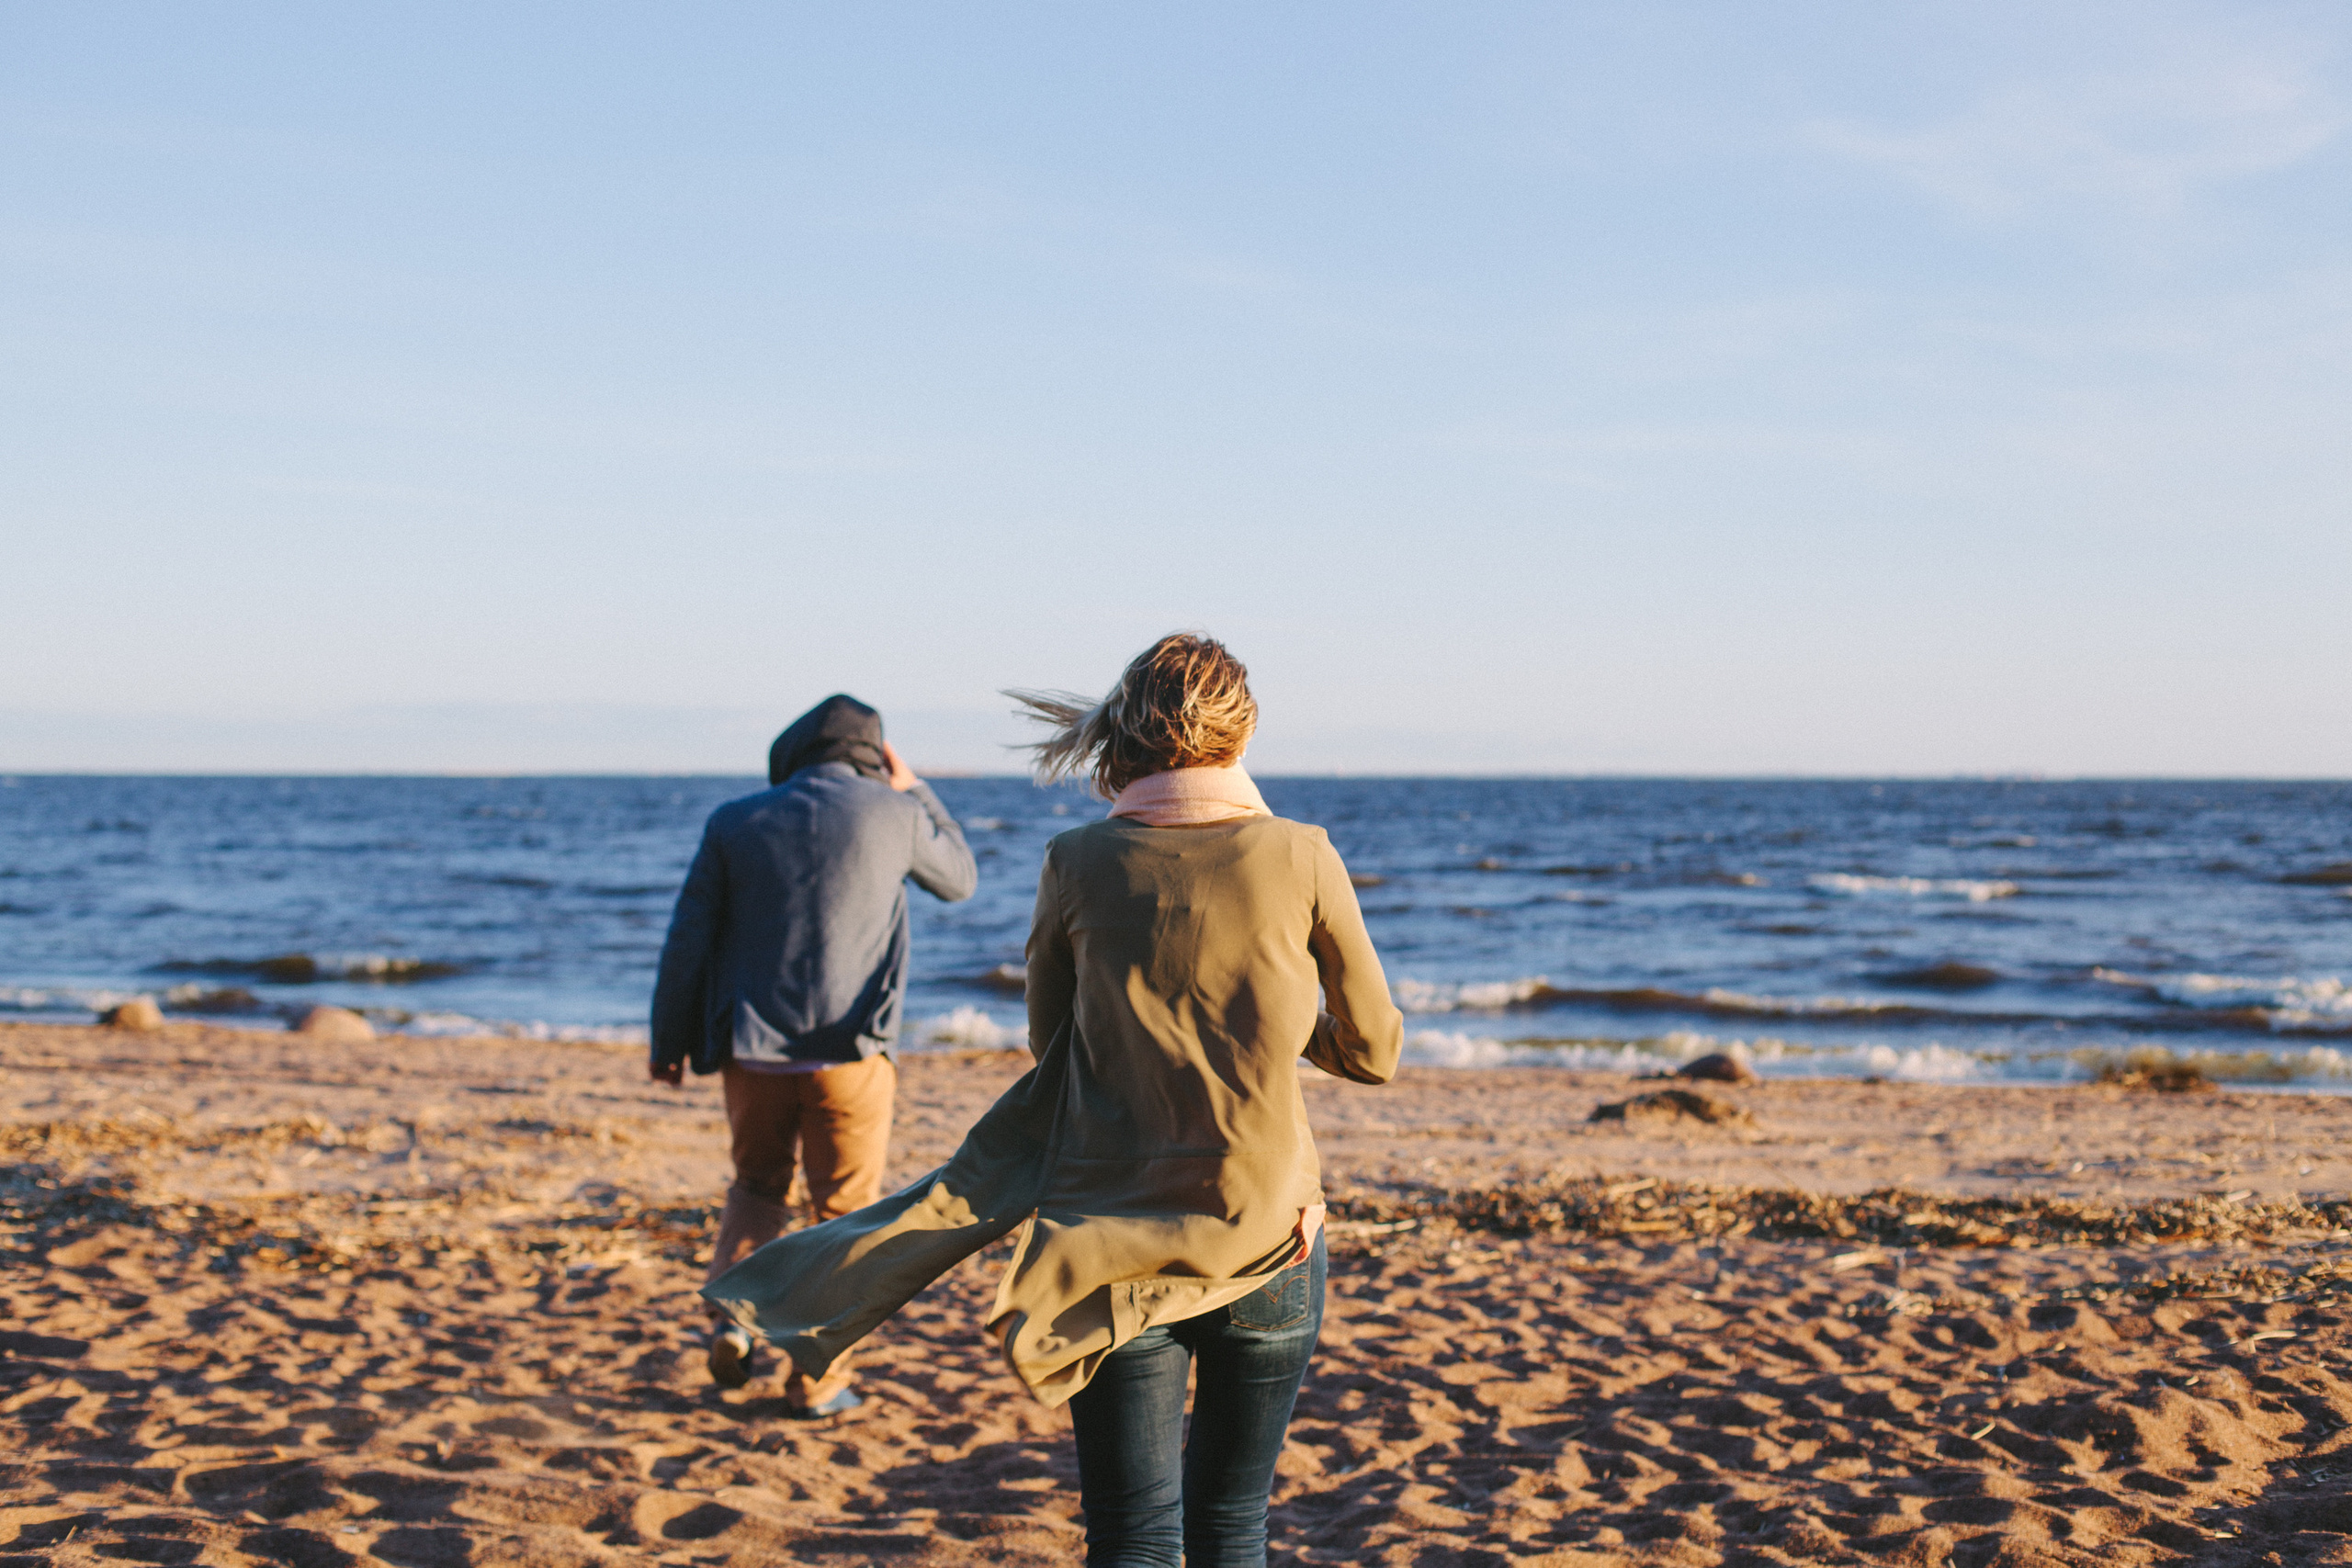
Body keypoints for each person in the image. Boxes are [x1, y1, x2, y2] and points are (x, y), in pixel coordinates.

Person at [704, 635, 1402, 1564]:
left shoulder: (1076, 858)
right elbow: (1373, 1050)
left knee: (1132, 1532)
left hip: (1102, 1243)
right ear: (1243, 729)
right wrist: (1274, 1023)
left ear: (1127, 733)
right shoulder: (1300, 852)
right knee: (1233, 1522)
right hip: (1270, 1237)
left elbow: (1050, 1042)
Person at [650, 694, 977, 1416]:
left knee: (755, 1188)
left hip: (753, 1056)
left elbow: (688, 940)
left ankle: (736, 1318)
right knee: (844, 1213)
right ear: (876, 758)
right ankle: (816, 1380)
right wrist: (915, 788)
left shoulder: (735, 820)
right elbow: (959, 878)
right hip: (850, 1055)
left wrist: (667, 1040)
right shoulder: (894, 814)